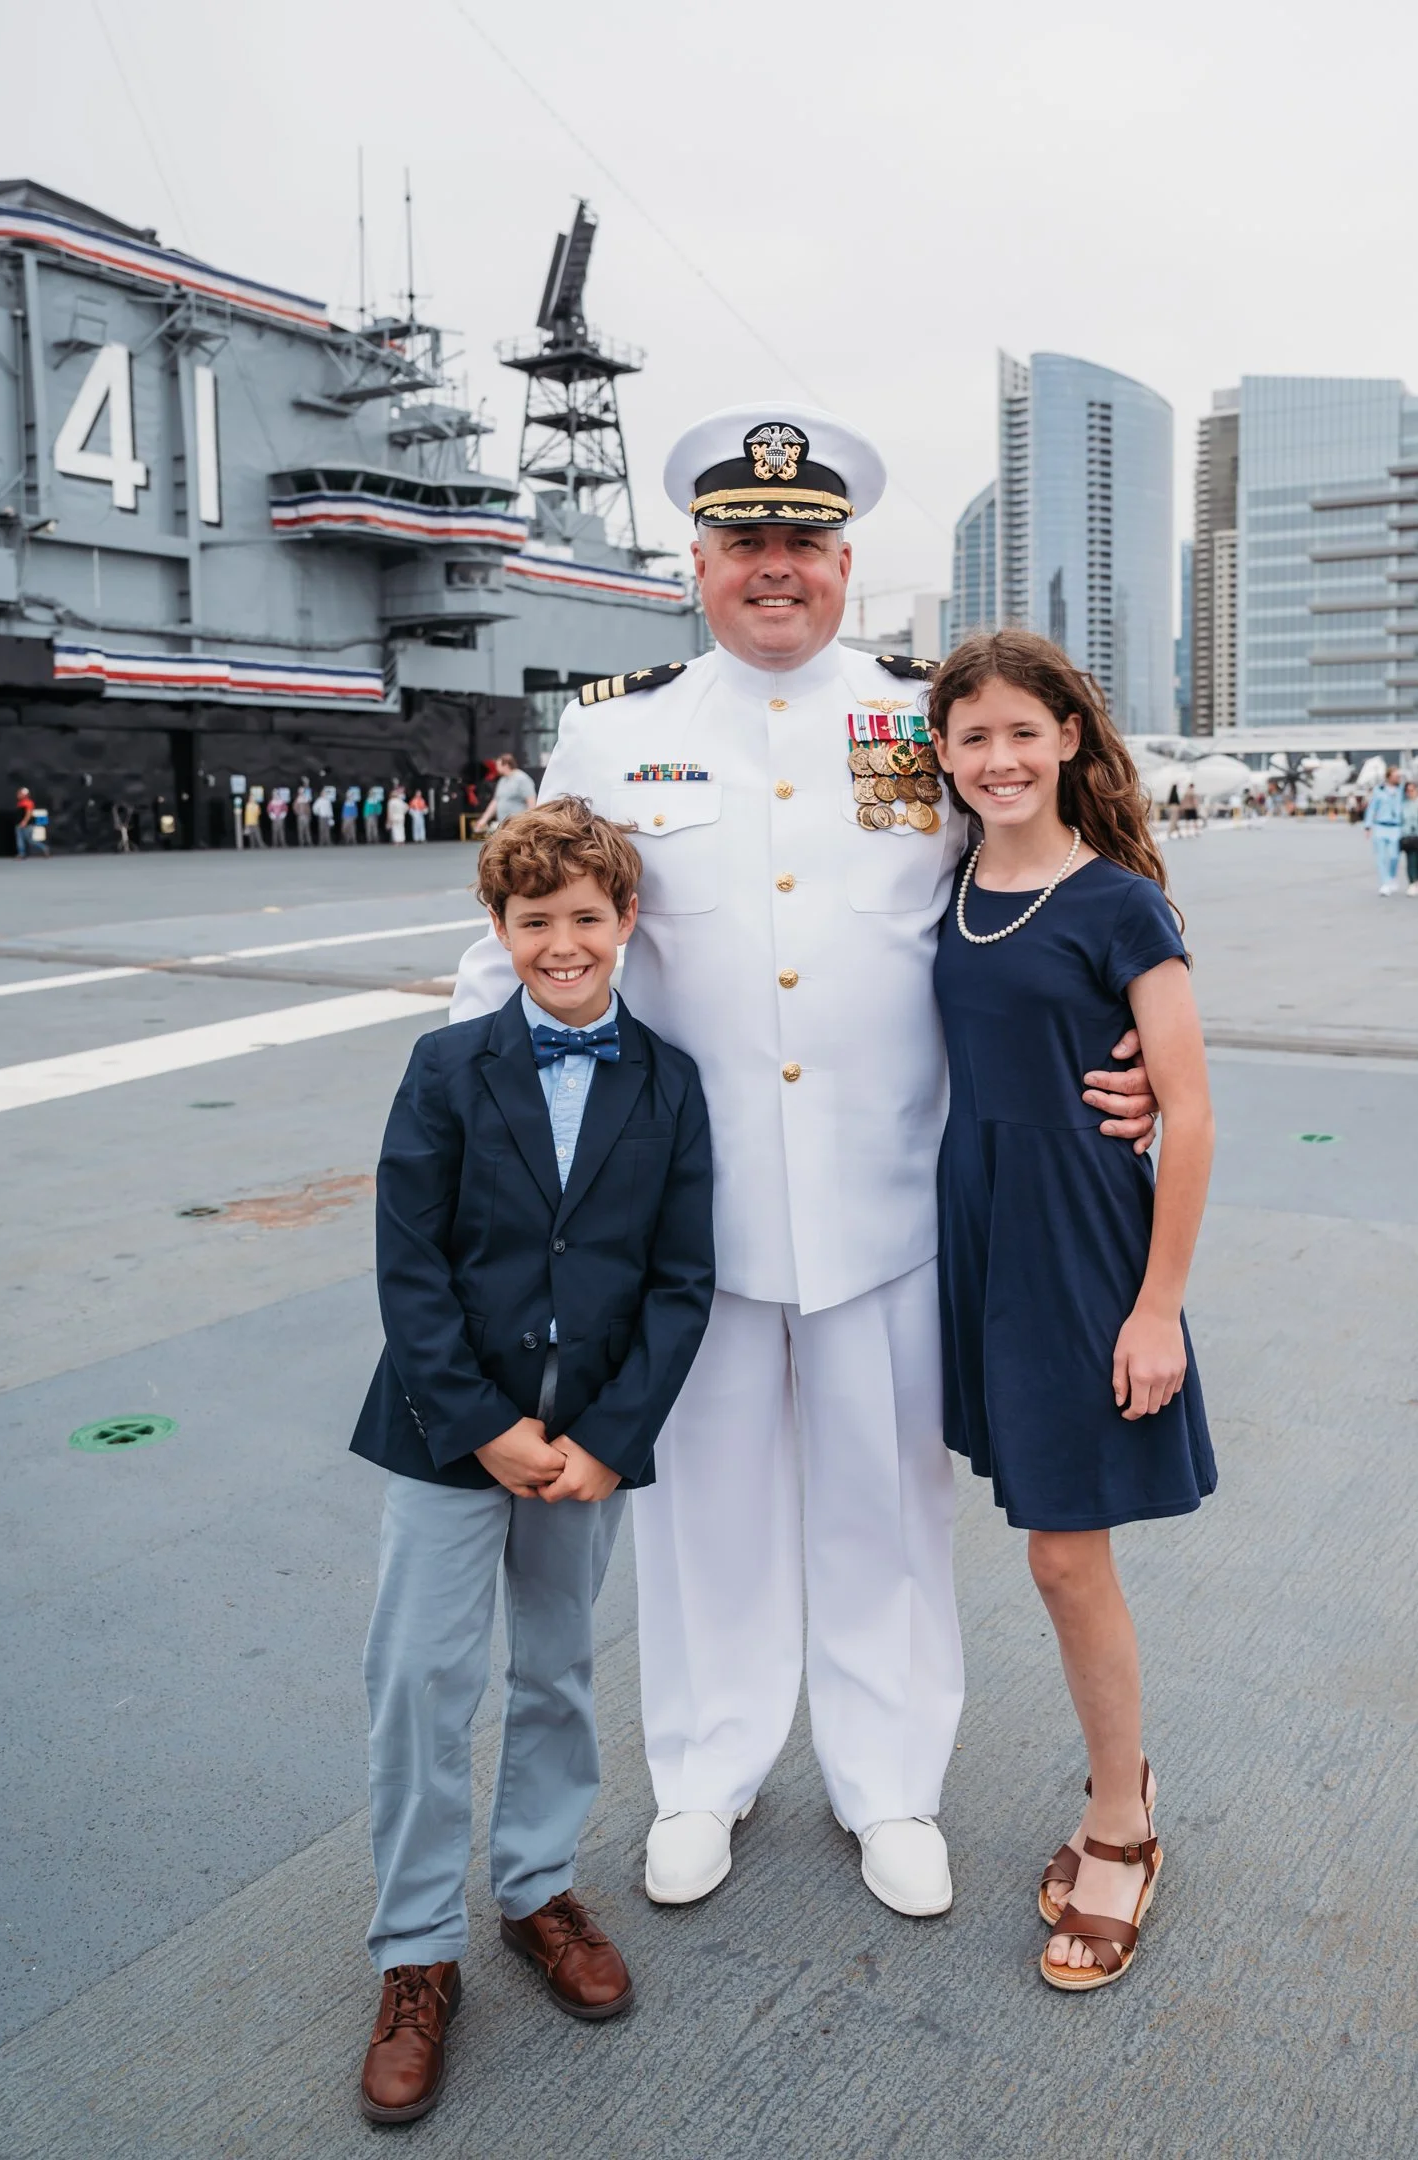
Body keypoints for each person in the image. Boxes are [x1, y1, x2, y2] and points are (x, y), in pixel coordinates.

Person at [448, 404, 1159, 1919]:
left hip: (890, 1204)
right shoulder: (616, 732)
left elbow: (1057, 886)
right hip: (683, 1220)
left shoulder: (924, 717)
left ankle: (890, 1781)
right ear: (696, 563)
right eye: (745, 544)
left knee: (884, 1504)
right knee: (701, 1509)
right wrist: (463, 1115)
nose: (776, 568)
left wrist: (1141, 1058)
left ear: (843, 562)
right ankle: (705, 1773)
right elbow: (528, 931)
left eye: (804, 545)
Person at [350, 797, 714, 2125]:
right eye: (534, 921)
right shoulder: (446, 1069)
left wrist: (609, 1440)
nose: (562, 943)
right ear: (497, 932)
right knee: (419, 1683)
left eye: (585, 918)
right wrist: (482, 1423)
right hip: (450, 1431)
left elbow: (683, 1283)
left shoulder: (670, 1084)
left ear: (625, 924)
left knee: (556, 1670)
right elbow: (410, 1268)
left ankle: (535, 1886)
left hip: (586, 1446)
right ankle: (414, 1954)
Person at [930, 630, 1215, 1992]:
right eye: (970, 736)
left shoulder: (1121, 906)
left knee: (1061, 1555)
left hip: (1079, 1240)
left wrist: (1158, 1307)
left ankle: (1122, 1821)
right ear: (942, 753)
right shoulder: (949, 884)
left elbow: (1194, 1112)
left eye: (1020, 733)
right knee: (1043, 1539)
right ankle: (1123, 1789)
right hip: (977, 1232)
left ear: (1070, 743)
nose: (998, 758)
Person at [1363, 767, 1406, 893]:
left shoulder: (1401, 790)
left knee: (1394, 856)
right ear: (1389, 777)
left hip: (1396, 827)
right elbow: (1372, 809)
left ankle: (1392, 877)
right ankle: (1385, 882)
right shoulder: (1379, 791)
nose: (1398, 778)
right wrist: (1368, 825)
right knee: (1381, 857)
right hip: (1381, 826)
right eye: (1396, 776)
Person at [472, 753, 537, 834]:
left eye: (498, 765)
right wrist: (484, 819)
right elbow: (495, 801)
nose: (496, 767)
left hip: (519, 827)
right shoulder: (502, 780)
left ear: (506, 765)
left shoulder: (522, 779)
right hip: (504, 827)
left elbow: (531, 802)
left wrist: (529, 823)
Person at [1400, 778, 1418, 894]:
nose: (1410, 792)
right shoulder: (1403, 805)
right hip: (1409, 836)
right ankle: (1412, 882)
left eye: (1412, 790)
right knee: (1411, 860)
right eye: (1408, 790)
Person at [14, 786, 34, 858]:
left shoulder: (28, 803)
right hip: (19, 824)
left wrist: (24, 821)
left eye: (20, 794)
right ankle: (21, 854)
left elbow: (28, 813)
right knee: (20, 839)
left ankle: (44, 848)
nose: (18, 795)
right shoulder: (20, 803)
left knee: (30, 841)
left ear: (24, 795)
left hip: (26, 825)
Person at [295, 779, 314, 847]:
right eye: (300, 791)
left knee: (307, 829)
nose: (301, 792)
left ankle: (309, 842)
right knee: (300, 830)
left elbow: (308, 791)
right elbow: (295, 807)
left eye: (302, 791)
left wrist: (306, 783)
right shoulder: (297, 799)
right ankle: (301, 843)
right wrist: (298, 813)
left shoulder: (306, 798)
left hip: (306, 816)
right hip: (300, 816)